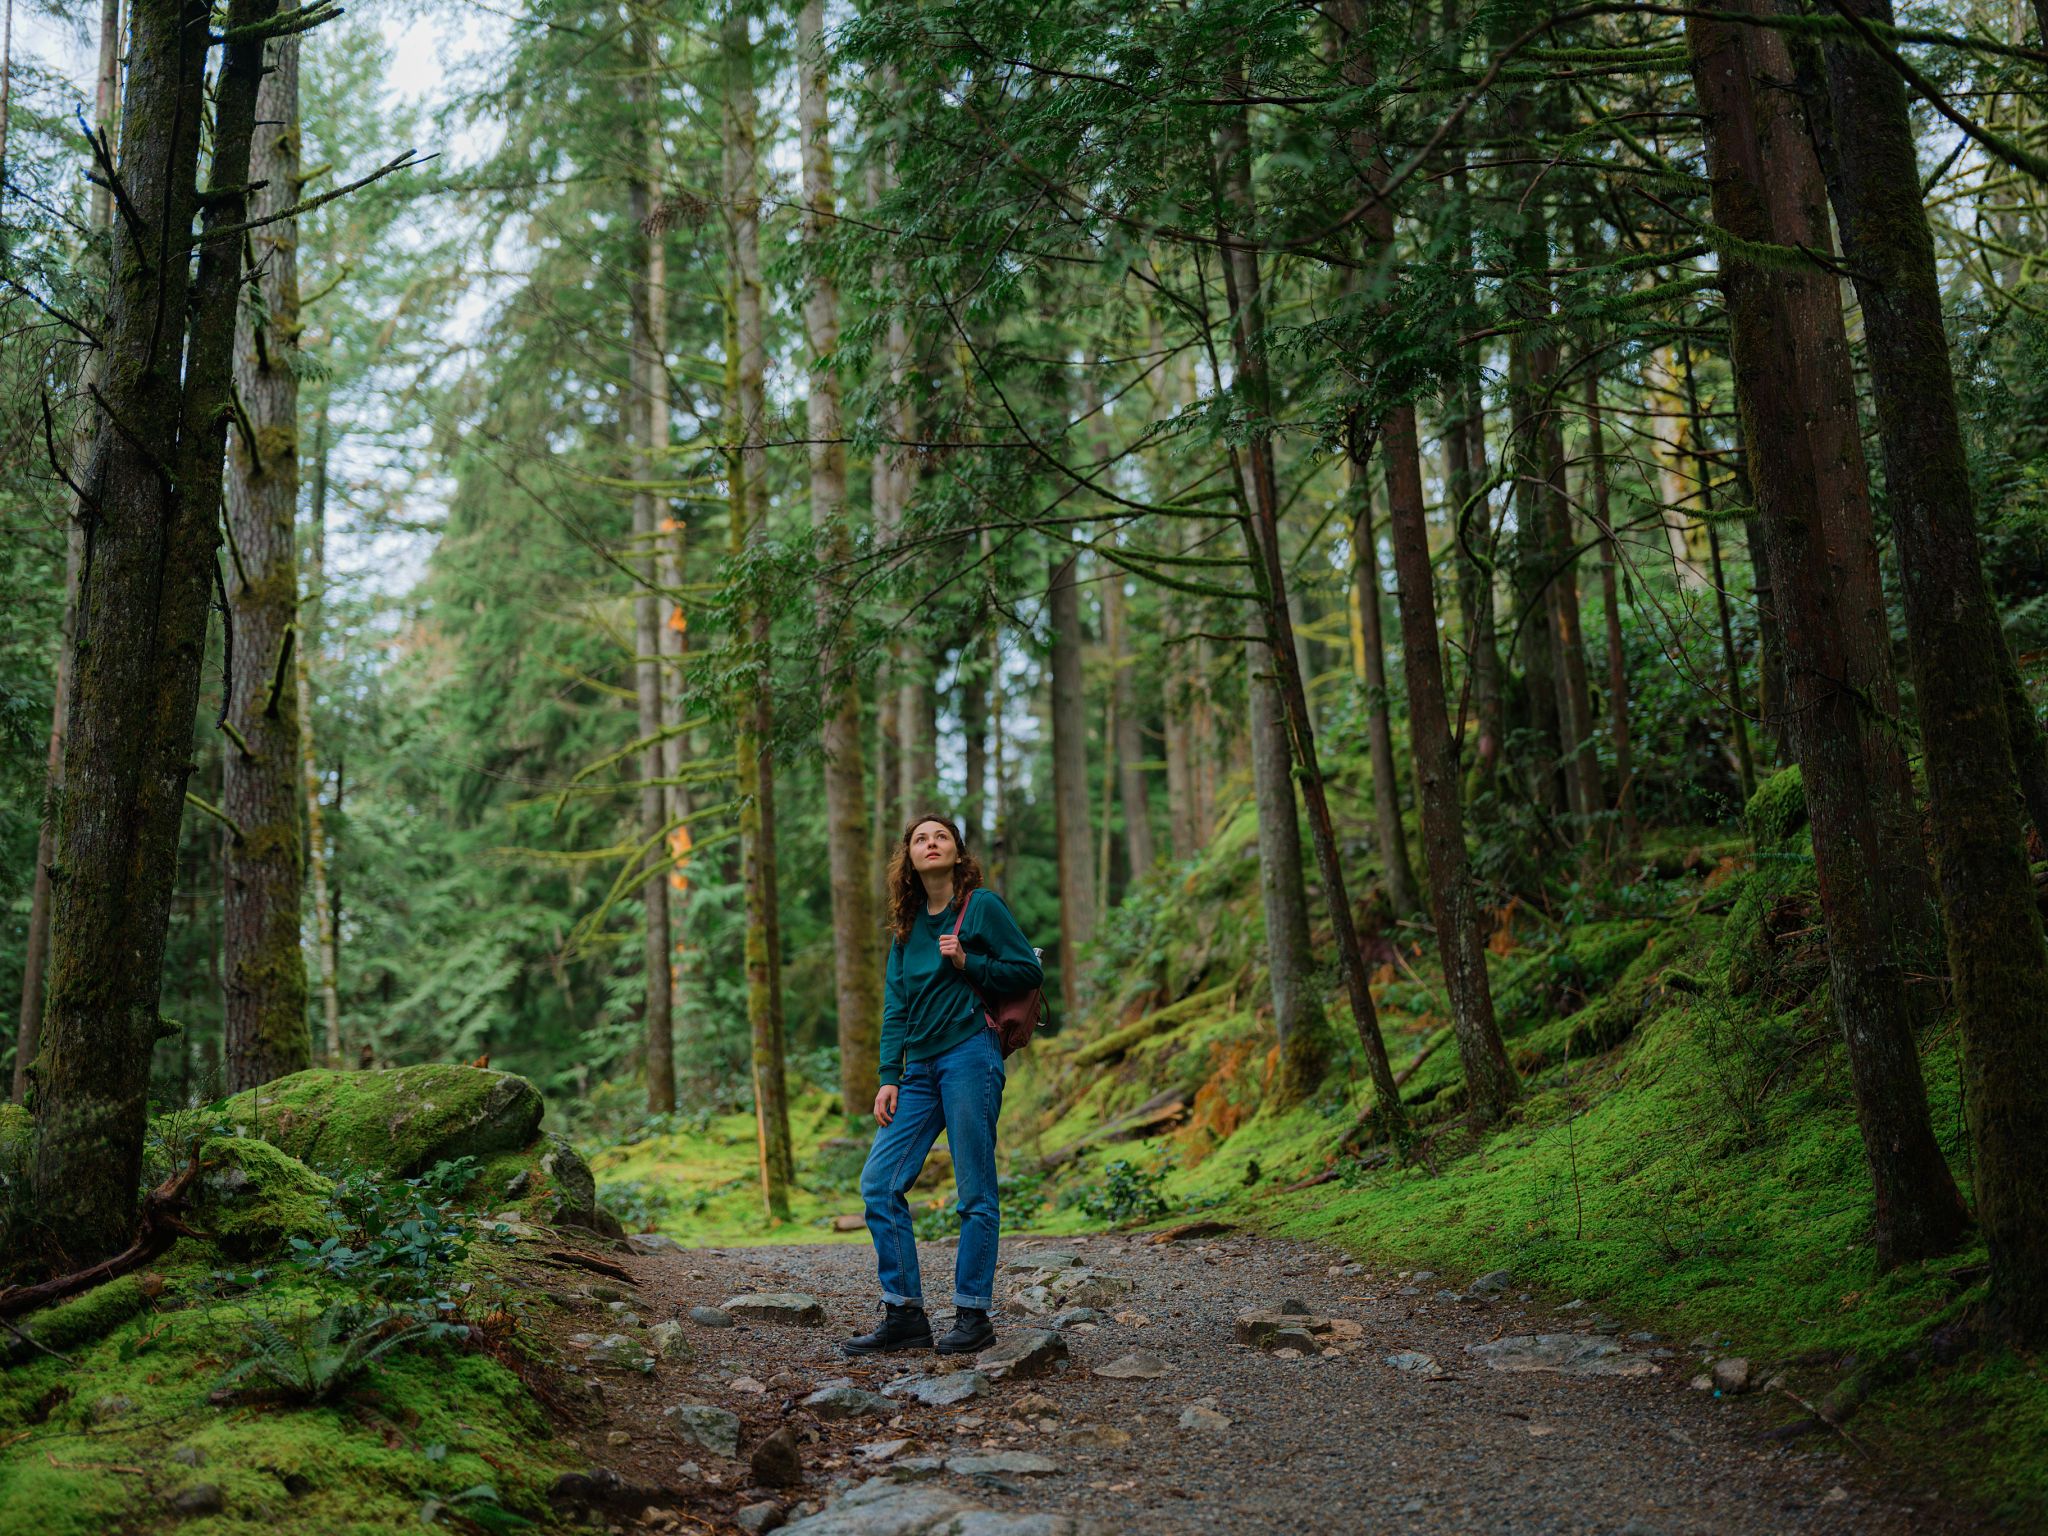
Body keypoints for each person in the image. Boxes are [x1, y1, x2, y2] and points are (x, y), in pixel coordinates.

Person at [842, 812, 1043, 1356]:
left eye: (941, 837)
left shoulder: (980, 906)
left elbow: (1027, 970)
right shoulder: (907, 931)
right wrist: (889, 1077)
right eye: (920, 839)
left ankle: (973, 1315)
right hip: (920, 1071)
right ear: (907, 857)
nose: (931, 844)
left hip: (969, 1057)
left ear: (958, 852)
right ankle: (905, 1314)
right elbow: (895, 1008)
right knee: (880, 1184)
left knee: (974, 1191)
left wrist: (969, 962)